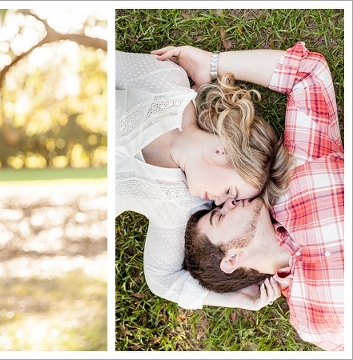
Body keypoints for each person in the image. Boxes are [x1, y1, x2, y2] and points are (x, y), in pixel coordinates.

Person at [180, 42, 344, 351]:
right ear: (232, 259)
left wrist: (210, 64)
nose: (223, 201)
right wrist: (228, 300)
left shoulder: (292, 181)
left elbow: (308, 74)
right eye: (217, 215)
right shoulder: (310, 321)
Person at [115, 48, 293, 310]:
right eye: (230, 192)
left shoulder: (181, 208)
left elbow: (161, 279)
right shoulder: (166, 81)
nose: (220, 202)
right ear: (222, 152)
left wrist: (235, 299)